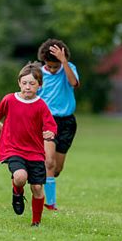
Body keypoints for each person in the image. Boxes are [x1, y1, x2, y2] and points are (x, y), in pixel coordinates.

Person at [0, 62, 57, 227]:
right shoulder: (9, 99)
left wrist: (50, 133)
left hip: (35, 152)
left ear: (39, 86)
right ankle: (17, 191)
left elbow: (51, 126)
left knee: (37, 188)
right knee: (20, 177)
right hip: (13, 148)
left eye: (32, 83)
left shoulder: (41, 105)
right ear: (19, 83)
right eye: (24, 83)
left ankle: (36, 222)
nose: (27, 87)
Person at [37, 38, 79, 211]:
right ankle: (50, 203)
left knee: (57, 168)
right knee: (49, 162)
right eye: (49, 66)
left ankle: (39, 178)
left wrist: (64, 62)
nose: (52, 70)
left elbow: (73, 83)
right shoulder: (38, 74)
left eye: (56, 66)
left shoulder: (69, 69)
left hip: (67, 123)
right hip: (47, 121)